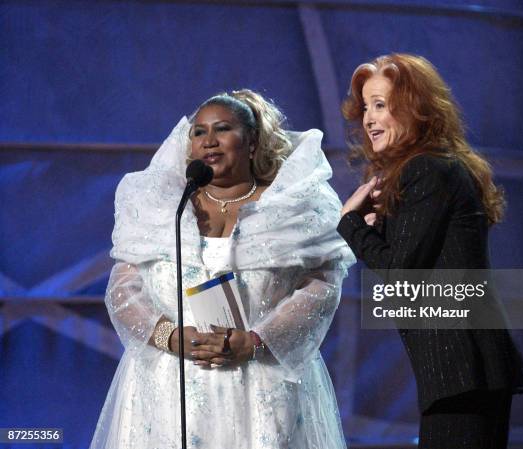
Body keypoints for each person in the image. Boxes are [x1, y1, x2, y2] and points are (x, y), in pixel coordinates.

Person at [90, 89, 355, 449]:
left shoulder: (293, 206)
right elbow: (123, 290)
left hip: (264, 383)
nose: (209, 141)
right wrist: (167, 334)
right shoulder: (160, 207)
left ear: (251, 142)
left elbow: (322, 285)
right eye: (199, 132)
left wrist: (258, 340)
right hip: (171, 385)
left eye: (223, 129)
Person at [336, 54, 523, 449]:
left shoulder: (425, 169)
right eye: (366, 107)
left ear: (413, 108)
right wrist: (380, 227)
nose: (369, 119)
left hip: (461, 370)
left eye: (381, 104)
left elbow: (400, 274)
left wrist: (350, 222)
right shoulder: (437, 168)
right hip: (466, 370)